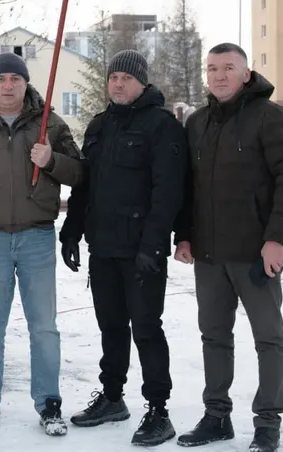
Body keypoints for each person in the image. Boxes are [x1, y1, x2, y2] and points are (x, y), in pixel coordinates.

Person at [173, 43, 283, 452]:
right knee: (213, 337)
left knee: (268, 337)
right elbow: (187, 188)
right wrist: (185, 235)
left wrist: (275, 238)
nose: (219, 75)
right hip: (209, 256)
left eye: (228, 68)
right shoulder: (197, 123)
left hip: (255, 254)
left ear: (246, 74)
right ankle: (216, 416)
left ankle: (268, 421)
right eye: (212, 68)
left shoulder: (270, 117)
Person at [0, 52, 84, 437]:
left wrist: (52, 159)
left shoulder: (49, 123)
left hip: (36, 237)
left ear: (26, 83)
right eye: (0, 79)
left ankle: (49, 402)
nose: (8, 86)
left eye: (15, 78)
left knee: (44, 327)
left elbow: (79, 172)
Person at [59, 50, 186, 446]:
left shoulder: (161, 126)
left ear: (142, 82)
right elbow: (84, 186)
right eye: (113, 77)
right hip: (104, 249)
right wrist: (71, 232)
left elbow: (168, 193)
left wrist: (154, 247)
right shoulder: (99, 126)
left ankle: (158, 410)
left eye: (125, 78)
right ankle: (112, 397)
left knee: (147, 329)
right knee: (111, 327)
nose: (117, 83)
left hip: (142, 252)